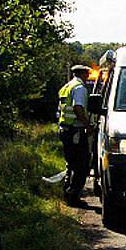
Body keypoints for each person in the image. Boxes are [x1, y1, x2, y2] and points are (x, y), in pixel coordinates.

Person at [57, 65, 92, 205]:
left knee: (70, 163)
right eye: (87, 74)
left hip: (65, 129)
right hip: (75, 131)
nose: (88, 77)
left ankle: (67, 192)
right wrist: (88, 125)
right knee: (82, 164)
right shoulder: (79, 88)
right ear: (82, 74)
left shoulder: (66, 87)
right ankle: (73, 195)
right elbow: (78, 108)